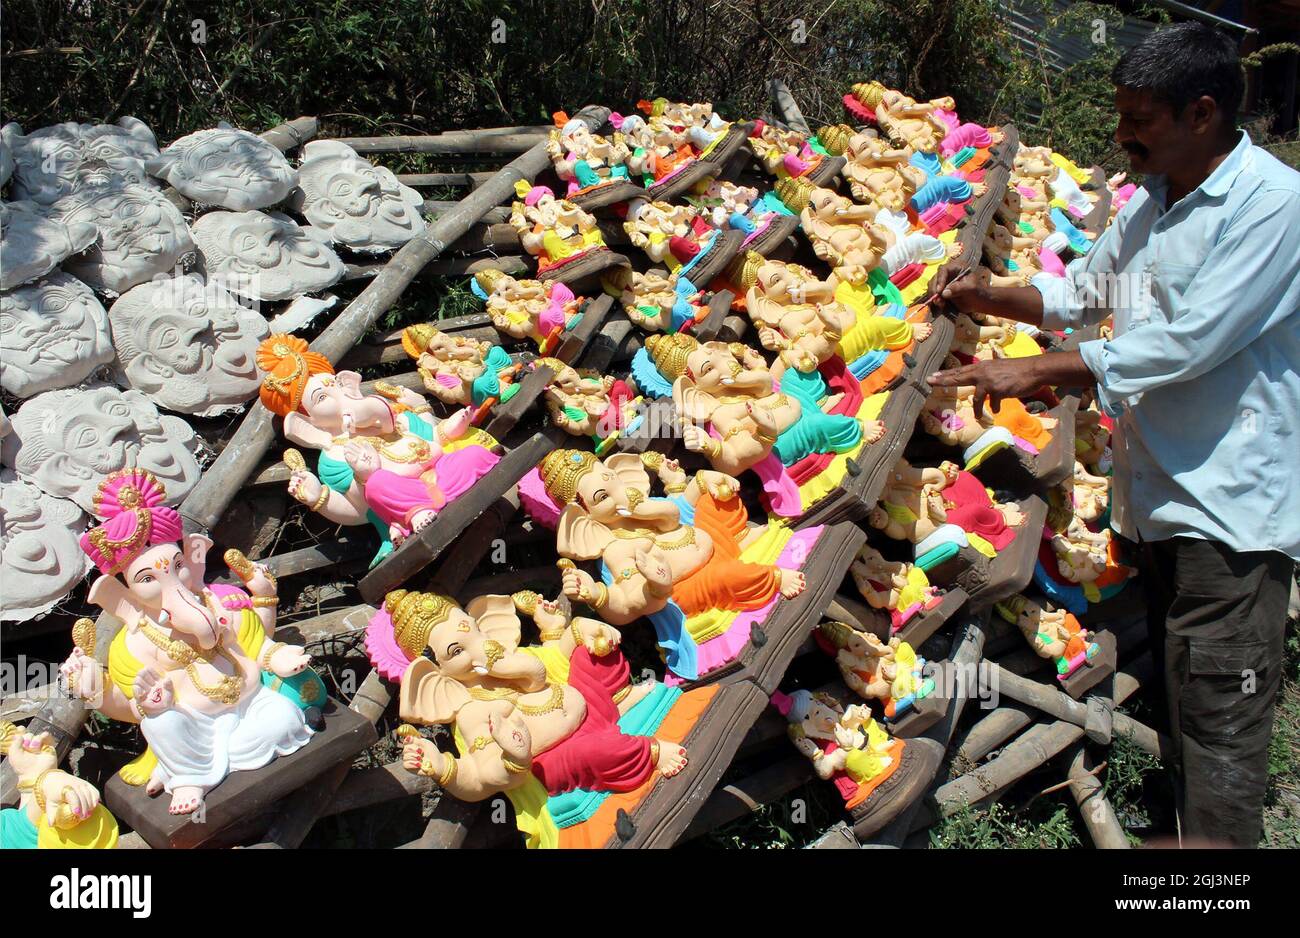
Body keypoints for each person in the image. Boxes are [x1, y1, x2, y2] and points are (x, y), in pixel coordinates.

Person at [928, 22, 1299, 848]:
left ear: (1202, 113)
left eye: (1140, 120)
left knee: (1221, 733)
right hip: (1157, 501)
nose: (1122, 137)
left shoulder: (1273, 206)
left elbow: (1190, 343)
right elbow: (1081, 297)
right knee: (1185, 703)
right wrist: (987, 297)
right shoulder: (1154, 198)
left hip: (1226, 513)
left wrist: (1032, 373)